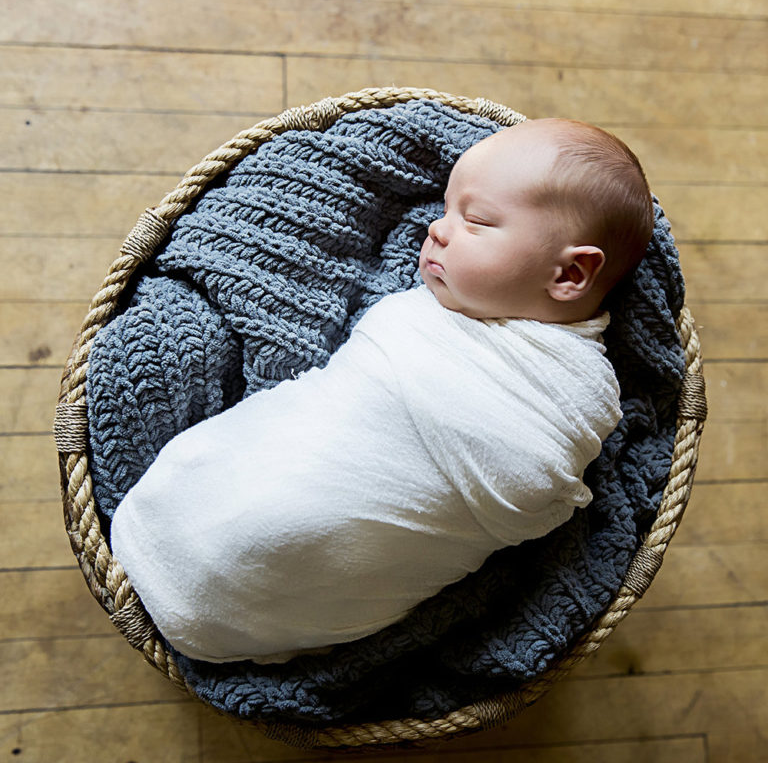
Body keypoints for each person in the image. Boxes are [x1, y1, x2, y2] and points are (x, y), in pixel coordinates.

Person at [109, 118, 654, 664]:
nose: (437, 231)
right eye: (444, 210)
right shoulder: (423, 322)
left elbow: (535, 476)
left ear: (569, 274)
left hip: (264, 589)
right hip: (205, 545)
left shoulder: (572, 392)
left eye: (478, 221)